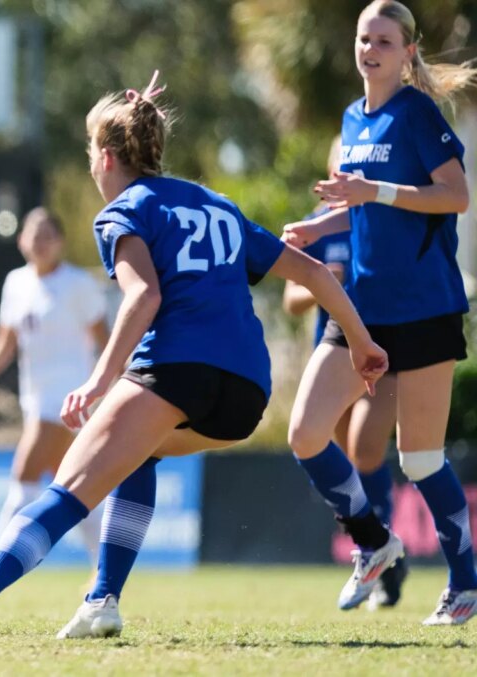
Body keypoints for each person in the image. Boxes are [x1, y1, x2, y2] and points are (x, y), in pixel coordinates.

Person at [0, 72, 387, 647]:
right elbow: (310, 272)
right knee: (139, 455)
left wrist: (99, 380)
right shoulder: (216, 204)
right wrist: (362, 344)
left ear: (106, 157)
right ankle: (101, 601)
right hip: (244, 395)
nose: (90, 165)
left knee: (67, 493)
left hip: (176, 368)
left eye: (90, 153)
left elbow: (145, 296)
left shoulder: (123, 211)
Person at [282, 0, 477, 625]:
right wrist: (322, 226)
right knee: (306, 433)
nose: (371, 49)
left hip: (424, 309)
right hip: (362, 308)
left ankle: (466, 585)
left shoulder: (418, 113)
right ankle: (373, 541)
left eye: (385, 41)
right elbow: (367, 207)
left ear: (408, 52)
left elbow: (456, 197)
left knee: (419, 459)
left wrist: (372, 191)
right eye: (365, 39)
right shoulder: (351, 118)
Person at [281, 136, 404, 609]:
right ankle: (374, 545)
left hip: (378, 349)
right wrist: (321, 286)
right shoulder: (316, 228)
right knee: (335, 454)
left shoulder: (377, 224)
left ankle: (387, 557)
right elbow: (292, 299)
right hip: (330, 355)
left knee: (367, 448)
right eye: (339, 161)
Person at [0, 207, 108, 579]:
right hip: (35, 398)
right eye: (32, 235)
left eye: (47, 236)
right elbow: (5, 341)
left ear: (60, 242)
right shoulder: (16, 283)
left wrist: (110, 385)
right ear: (21, 240)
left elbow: (105, 339)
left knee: (24, 474)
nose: (39, 243)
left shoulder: (78, 284)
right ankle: (104, 570)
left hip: (69, 399)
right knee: (74, 489)